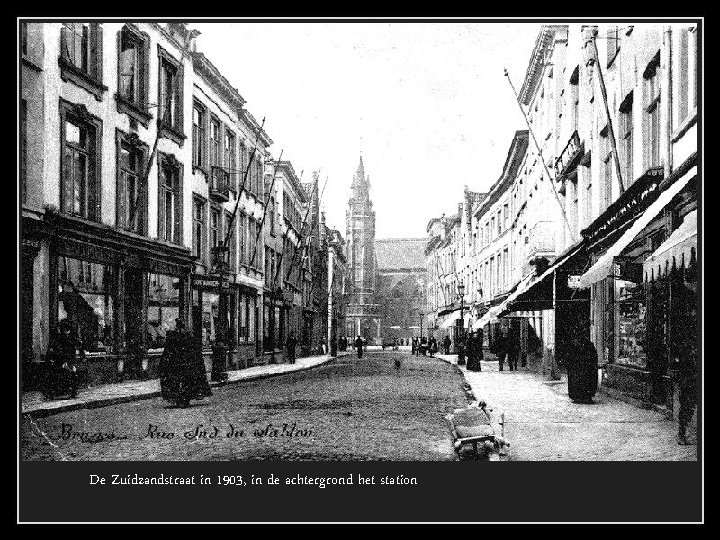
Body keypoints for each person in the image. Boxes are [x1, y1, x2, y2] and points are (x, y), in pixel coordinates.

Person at [159, 319, 212, 408]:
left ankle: (180, 399)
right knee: (185, 382)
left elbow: (169, 351)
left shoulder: (175, 337)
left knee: (179, 381)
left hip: (179, 363)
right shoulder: (188, 336)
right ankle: (183, 399)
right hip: (185, 363)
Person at [44, 320, 79, 399]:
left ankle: (72, 392)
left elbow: (72, 353)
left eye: (66, 330)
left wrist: (70, 362)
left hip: (66, 362)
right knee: (66, 373)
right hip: (57, 362)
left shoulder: (69, 341)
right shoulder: (57, 340)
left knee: (73, 372)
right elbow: (54, 352)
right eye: (63, 330)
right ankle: (56, 393)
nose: (65, 332)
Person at [567, 331, 599, 404]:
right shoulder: (589, 345)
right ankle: (584, 396)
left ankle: (579, 397)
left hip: (581, 369)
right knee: (585, 382)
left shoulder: (577, 345)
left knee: (581, 382)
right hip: (585, 369)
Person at [674, 352, 697, 445]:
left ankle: (683, 434)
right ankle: (681, 434)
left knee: (689, 410)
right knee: (685, 410)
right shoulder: (687, 357)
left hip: (692, 387)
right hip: (687, 387)